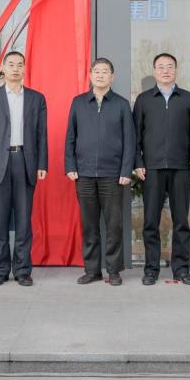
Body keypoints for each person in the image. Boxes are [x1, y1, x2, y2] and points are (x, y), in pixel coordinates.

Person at [0, 51, 48, 287]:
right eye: (11, 65)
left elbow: (41, 135)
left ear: (24, 68)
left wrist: (42, 164)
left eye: (19, 65)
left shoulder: (36, 98)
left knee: (24, 222)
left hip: (25, 161)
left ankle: (22, 270)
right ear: (4, 69)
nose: (15, 69)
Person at [132, 53, 190, 286]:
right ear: (154, 71)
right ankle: (151, 269)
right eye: (161, 67)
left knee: (181, 221)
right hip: (151, 169)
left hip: (180, 168)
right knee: (150, 222)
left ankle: (181, 269)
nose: (165, 70)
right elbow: (135, 136)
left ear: (176, 70)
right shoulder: (144, 99)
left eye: (170, 67)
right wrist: (138, 163)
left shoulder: (187, 99)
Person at [65, 58, 135, 286]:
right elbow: (70, 137)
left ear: (112, 77)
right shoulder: (78, 103)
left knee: (114, 225)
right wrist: (70, 166)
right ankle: (92, 270)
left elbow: (130, 141)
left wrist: (126, 170)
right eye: (97, 71)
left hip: (113, 175)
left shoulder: (121, 104)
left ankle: (114, 271)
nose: (101, 75)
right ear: (90, 75)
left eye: (105, 72)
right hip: (84, 174)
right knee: (89, 225)